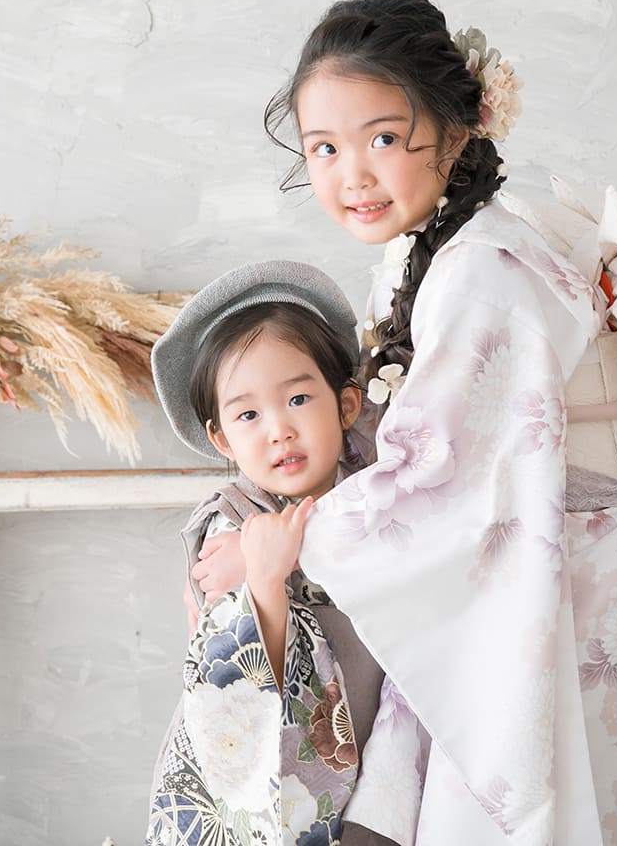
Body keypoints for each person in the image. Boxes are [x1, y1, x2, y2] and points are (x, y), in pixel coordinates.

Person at [194, 0, 617, 845]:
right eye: (324, 148)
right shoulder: (441, 252)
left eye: (383, 139)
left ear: (458, 132)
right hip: (557, 561)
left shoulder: (480, 270)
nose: (352, 175)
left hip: (570, 578)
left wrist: (277, 546)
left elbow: (441, 474)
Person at [144, 261, 410, 846]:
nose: (278, 430)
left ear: (346, 406)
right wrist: (263, 582)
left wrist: (304, 550)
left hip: (381, 746)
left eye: (298, 398)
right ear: (221, 438)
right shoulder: (231, 525)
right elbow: (225, 678)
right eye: (248, 414)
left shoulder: (379, 490)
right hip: (279, 776)